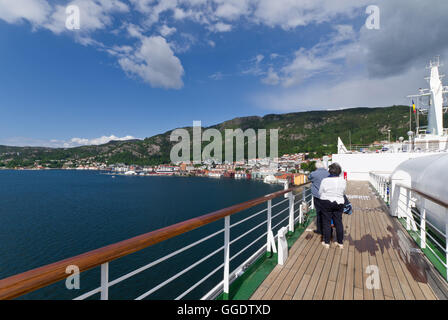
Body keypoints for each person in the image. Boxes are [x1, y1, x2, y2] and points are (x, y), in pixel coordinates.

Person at [319, 163, 347, 249]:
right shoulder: (343, 181)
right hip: (339, 203)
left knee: (326, 222)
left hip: (326, 202)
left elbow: (320, 192)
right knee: (338, 222)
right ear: (339, 172)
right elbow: (344, 192)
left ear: (329, 171)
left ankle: (327, 242)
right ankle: (340, 243)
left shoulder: (325, 180)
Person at [308, 161, 329, 235]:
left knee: (319, 212)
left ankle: (320, 230)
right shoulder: (328, 173)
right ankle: (327, 229)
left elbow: (309, 178)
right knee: (327, 212)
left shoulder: (314, 174)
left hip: (317, 196)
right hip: (327, 196)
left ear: (316, 167)